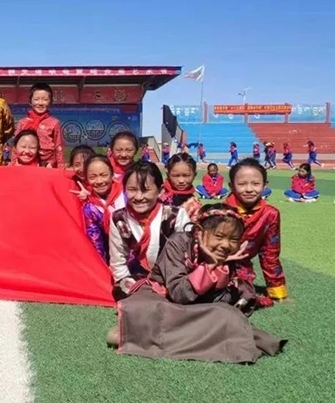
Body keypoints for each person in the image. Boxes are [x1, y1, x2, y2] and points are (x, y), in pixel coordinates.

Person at [111, 204, 285, 363]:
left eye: (233, 239)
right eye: (219, 236)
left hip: (197, 308)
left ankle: (163, 336)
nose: (226, 245)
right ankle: (135, 334)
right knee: (148, 315)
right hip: (164, 300)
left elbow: (221, 300)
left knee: (228, 315)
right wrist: (209, 266)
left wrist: (220, 268)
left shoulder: (230, 256)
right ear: (199, 232)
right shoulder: (177, 243)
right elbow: (179, 294)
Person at [108, 162, 191, 299]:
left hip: (174, 276)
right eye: (132, 190)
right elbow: (118, 261)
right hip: (139, 277)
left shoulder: (175, 215)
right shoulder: (118, 218)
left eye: (146, 190)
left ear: (161, 190)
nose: (139, 197)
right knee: (122, 290)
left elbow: (188, 256)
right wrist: (126, 282)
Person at [224, 158, 287, 304]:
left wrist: (277, 290)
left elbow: (270, 253)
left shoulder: (270, 214)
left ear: (265, 185)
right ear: (231, 186)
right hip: (215, 263)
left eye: (256, 184)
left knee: (244, 291)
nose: (249, 189)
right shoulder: (221, 211)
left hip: (243, 268)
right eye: (242, 184)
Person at [81, 155, 125, 263]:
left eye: (104, 175)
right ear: (86, 179)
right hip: (114, 258)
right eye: (93, 177)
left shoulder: (127, 194)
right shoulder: (90, 209)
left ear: (112, 174)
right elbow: (96, 243)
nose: (99, 181)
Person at [14, 83, 65, 168]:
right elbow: (15, 146)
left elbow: (59, 147)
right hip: (25, 165)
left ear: (50, 101)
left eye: (45, 99)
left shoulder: (54, 123)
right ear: (30, 101)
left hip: (48, 165)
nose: (40, 103)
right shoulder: (23, 123)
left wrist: (60, 167)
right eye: (36, 99)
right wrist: (13, 164)